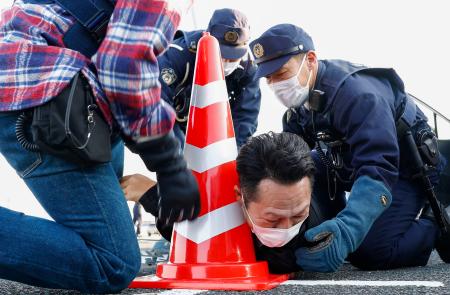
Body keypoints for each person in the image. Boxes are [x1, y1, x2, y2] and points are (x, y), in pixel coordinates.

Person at [0, 0, 199, 293]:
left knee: (106, 228)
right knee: (113, 262)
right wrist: (170, 165)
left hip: (52, 77)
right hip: (42, 85)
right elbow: (124, 68)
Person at [248, 23, 449, 272]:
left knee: (370, 253)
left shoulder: (359, 96)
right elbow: (289, 165)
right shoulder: (300, 103)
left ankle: (432, 218)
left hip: (402, 169)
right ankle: (330, 226)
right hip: (346, 163)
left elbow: (378, 166)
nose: (275, 84)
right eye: (269, 77)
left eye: (281, 73)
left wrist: (348, 230)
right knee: (305, 164)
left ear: (310, 59)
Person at [121, 132, 324, 273]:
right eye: (273, 219)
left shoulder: (316, 227)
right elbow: (190, 233)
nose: (288, 228)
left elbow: (282, 260)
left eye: (298, 215)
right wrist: (154, 196)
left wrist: (154, 197)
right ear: (239, 197)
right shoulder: (227, 198)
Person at [158, 8, 261, 148]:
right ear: (206, 37)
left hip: (215, 128)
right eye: (221, 54)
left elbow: (246, 116)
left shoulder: (249, 68)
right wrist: (178, 153)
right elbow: (158, 107)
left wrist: (233, 155)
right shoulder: (177, 56)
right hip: (175, 124)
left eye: (233, 57)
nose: (226, 62)